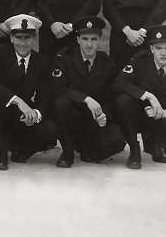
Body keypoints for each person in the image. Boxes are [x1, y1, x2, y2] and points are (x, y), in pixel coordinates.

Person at [113, 25, 166, 169]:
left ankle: (160, 147)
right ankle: (134, 150)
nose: (163, 53)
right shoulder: (140, 62)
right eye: (158, 48)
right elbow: (119, 83)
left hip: (159, 118)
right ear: (151, 49)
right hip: (137, 115)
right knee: (123, 101)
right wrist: (146, 95)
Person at [0, 14, 58, 170]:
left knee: (50, 130)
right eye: (19, 38)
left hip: (23, 114)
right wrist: (17, 100)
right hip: (2, 107)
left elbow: (45, 94)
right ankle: (1, 153)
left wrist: (36, 113)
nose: (23, 43)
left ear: (34, 39)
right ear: (11, 38)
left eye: (27, 38)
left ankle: (23, 150)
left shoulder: (42, 61)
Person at [50, 17, 125, 168]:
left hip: (94, 118)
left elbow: (112, 94)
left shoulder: (107, 62)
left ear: (99, 40)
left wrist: (105, 114)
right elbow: (58, 88)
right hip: (73, 116)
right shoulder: (65, 58)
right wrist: (86, 99)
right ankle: (68, 152)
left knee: (118, 141)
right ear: (77, 39)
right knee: (60, 103)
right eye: (85, 39)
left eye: (93, 39)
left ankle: (86, 148)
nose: (89, 44)